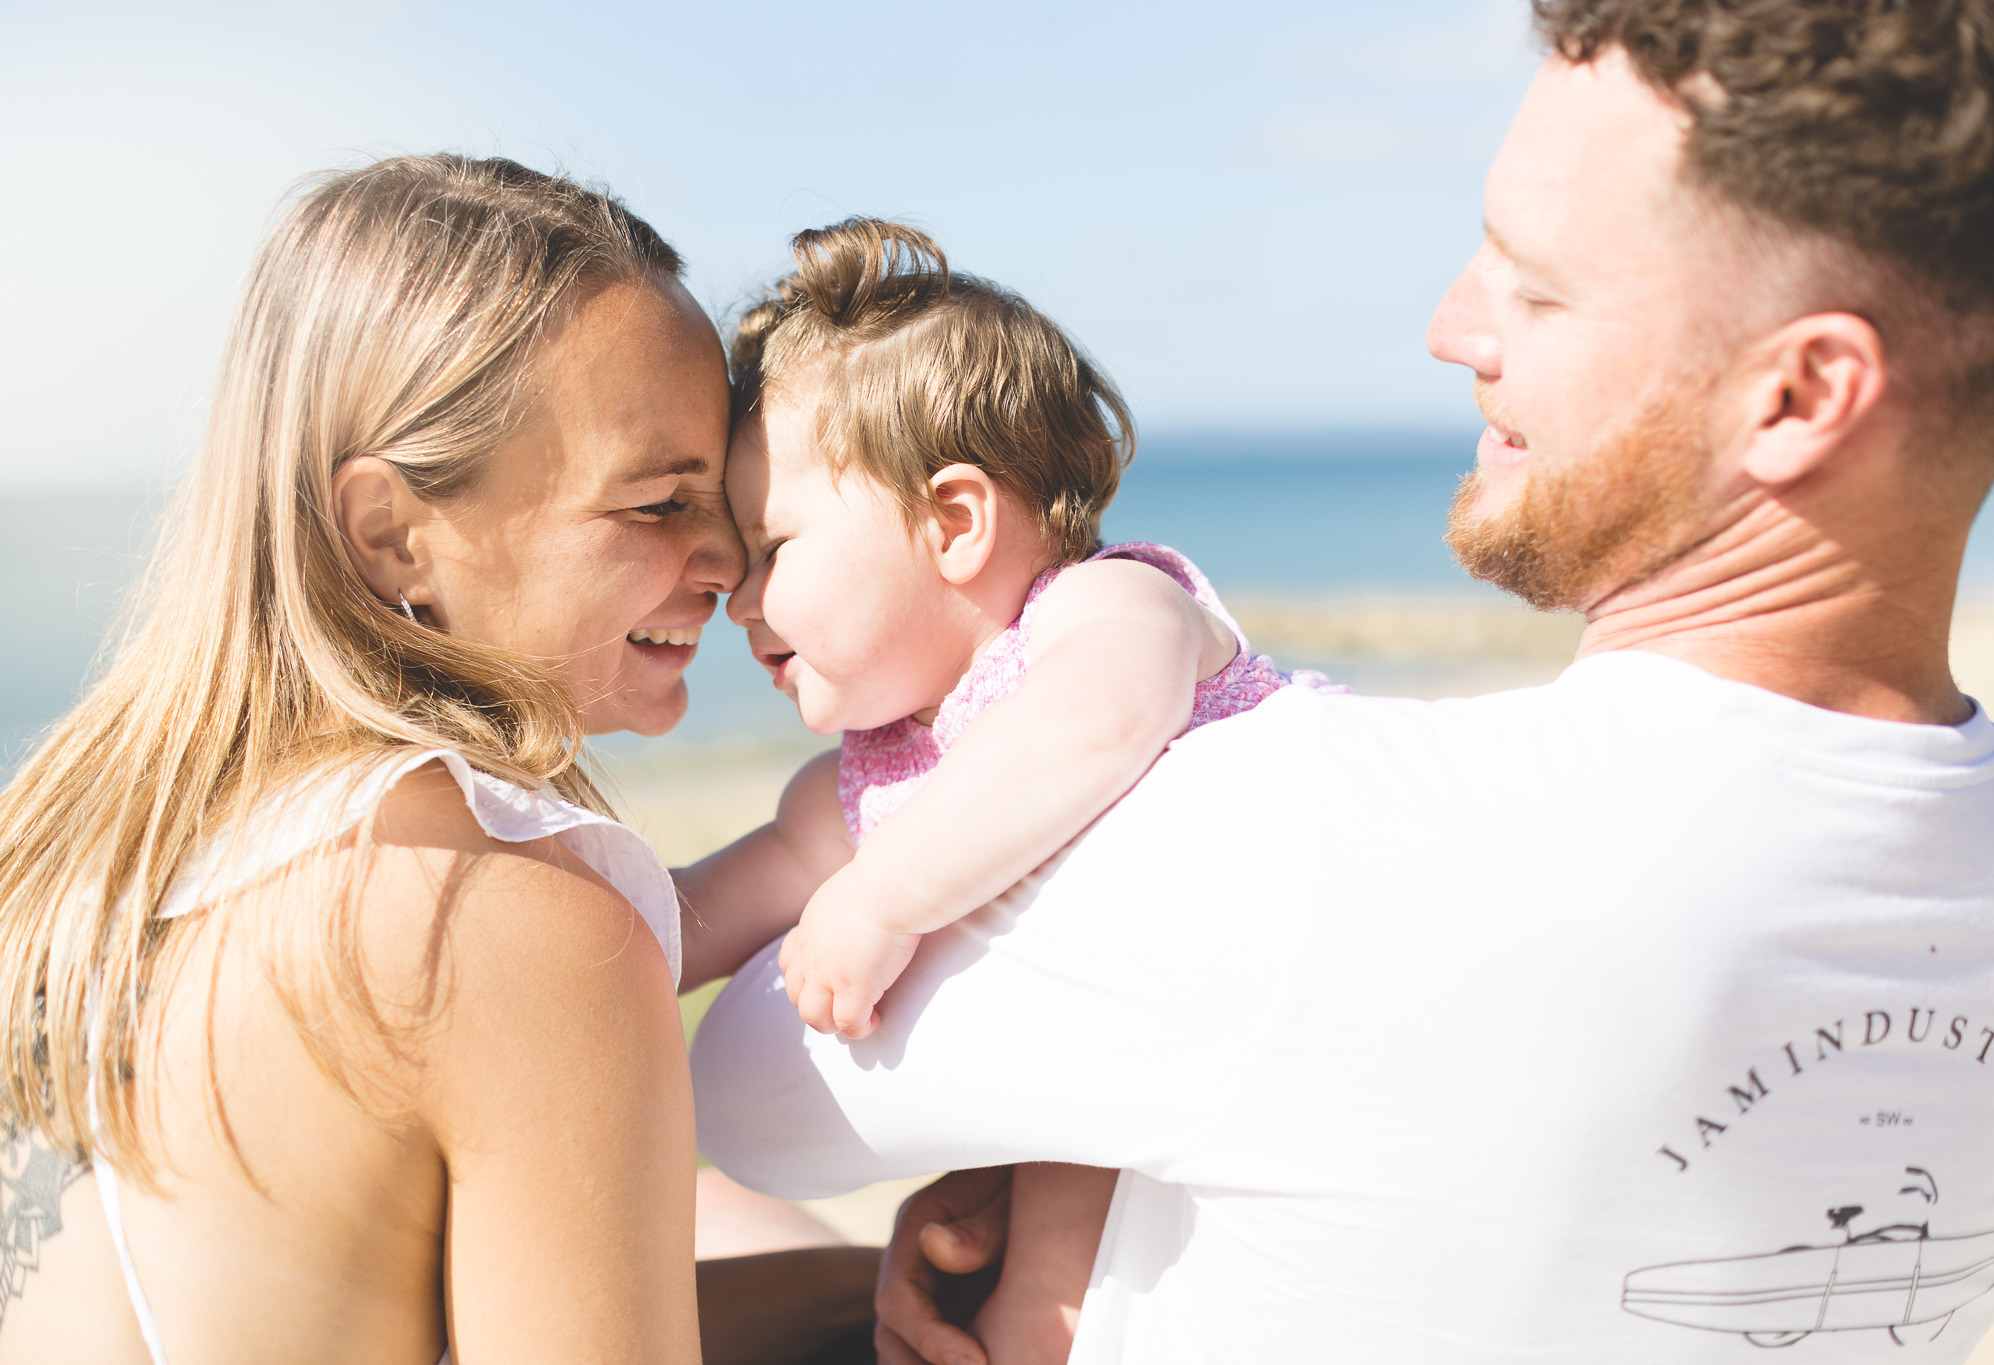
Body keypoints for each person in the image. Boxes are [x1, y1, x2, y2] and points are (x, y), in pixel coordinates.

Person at [689, 0, 1994, 1360]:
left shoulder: (1306, 835)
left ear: (1799, 396)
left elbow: (753, 1098)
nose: (1453, 327)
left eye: (1535, 286)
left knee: (700, 1217)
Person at [0, 153, 805, 1365]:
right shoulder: (506, 915)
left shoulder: (73, 871)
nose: (730, 560)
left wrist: (842, 1287)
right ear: (391, 536)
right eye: (658, 503)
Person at [673, 218, 1336, 1362]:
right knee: (1001, 1273)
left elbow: (1096, 723)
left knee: (1044, 1294)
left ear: (955, 521)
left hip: (1294, 1061)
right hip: (1133, 1127)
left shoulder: (1106, 611)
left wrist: (879, 902)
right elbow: (690, 916)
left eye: (772, 549)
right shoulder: (867, 782)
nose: (737, 598)